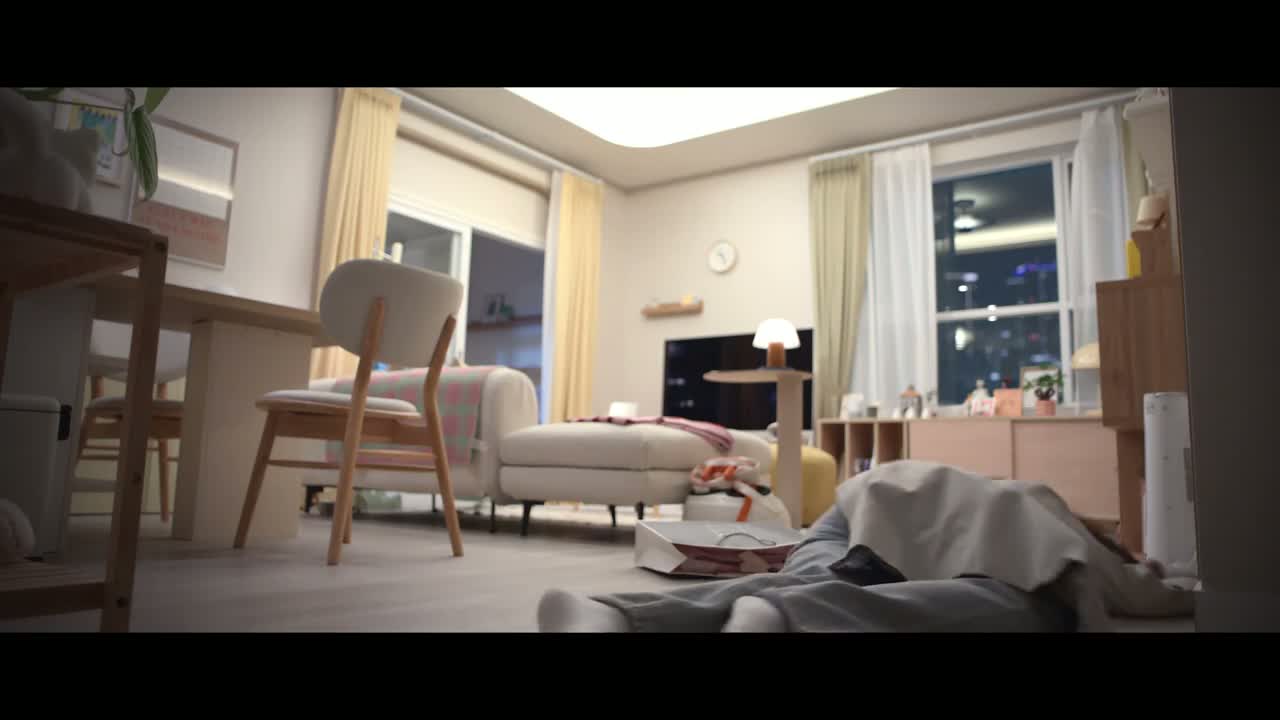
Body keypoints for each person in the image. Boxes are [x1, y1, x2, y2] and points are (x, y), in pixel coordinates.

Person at [538, 462, 1181, 633]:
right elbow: (1158, 594)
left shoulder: (1010, 490)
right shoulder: (1069, 540)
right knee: (1037, 606)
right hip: (886, 532)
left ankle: (616, 615)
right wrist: (1151, 571)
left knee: (837, 569)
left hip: (856, 508)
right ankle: (785, 616)